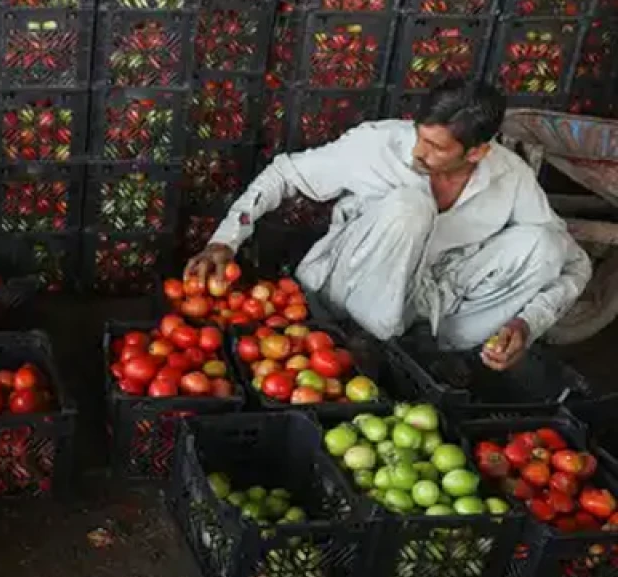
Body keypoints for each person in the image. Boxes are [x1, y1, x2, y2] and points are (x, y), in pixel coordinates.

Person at [185, 79, 592, 370]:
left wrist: (526, 322)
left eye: (435, 148)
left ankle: (439, 359)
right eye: (420, 136)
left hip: (429, 306)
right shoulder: (378, 145)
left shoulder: (510, 175)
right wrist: (226, 240)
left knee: (546, 246)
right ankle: (365, 352)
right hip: (350, 286)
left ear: (477, 152)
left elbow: (575, 265)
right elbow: (285, 174)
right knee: (409, 205)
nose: (418, 151)